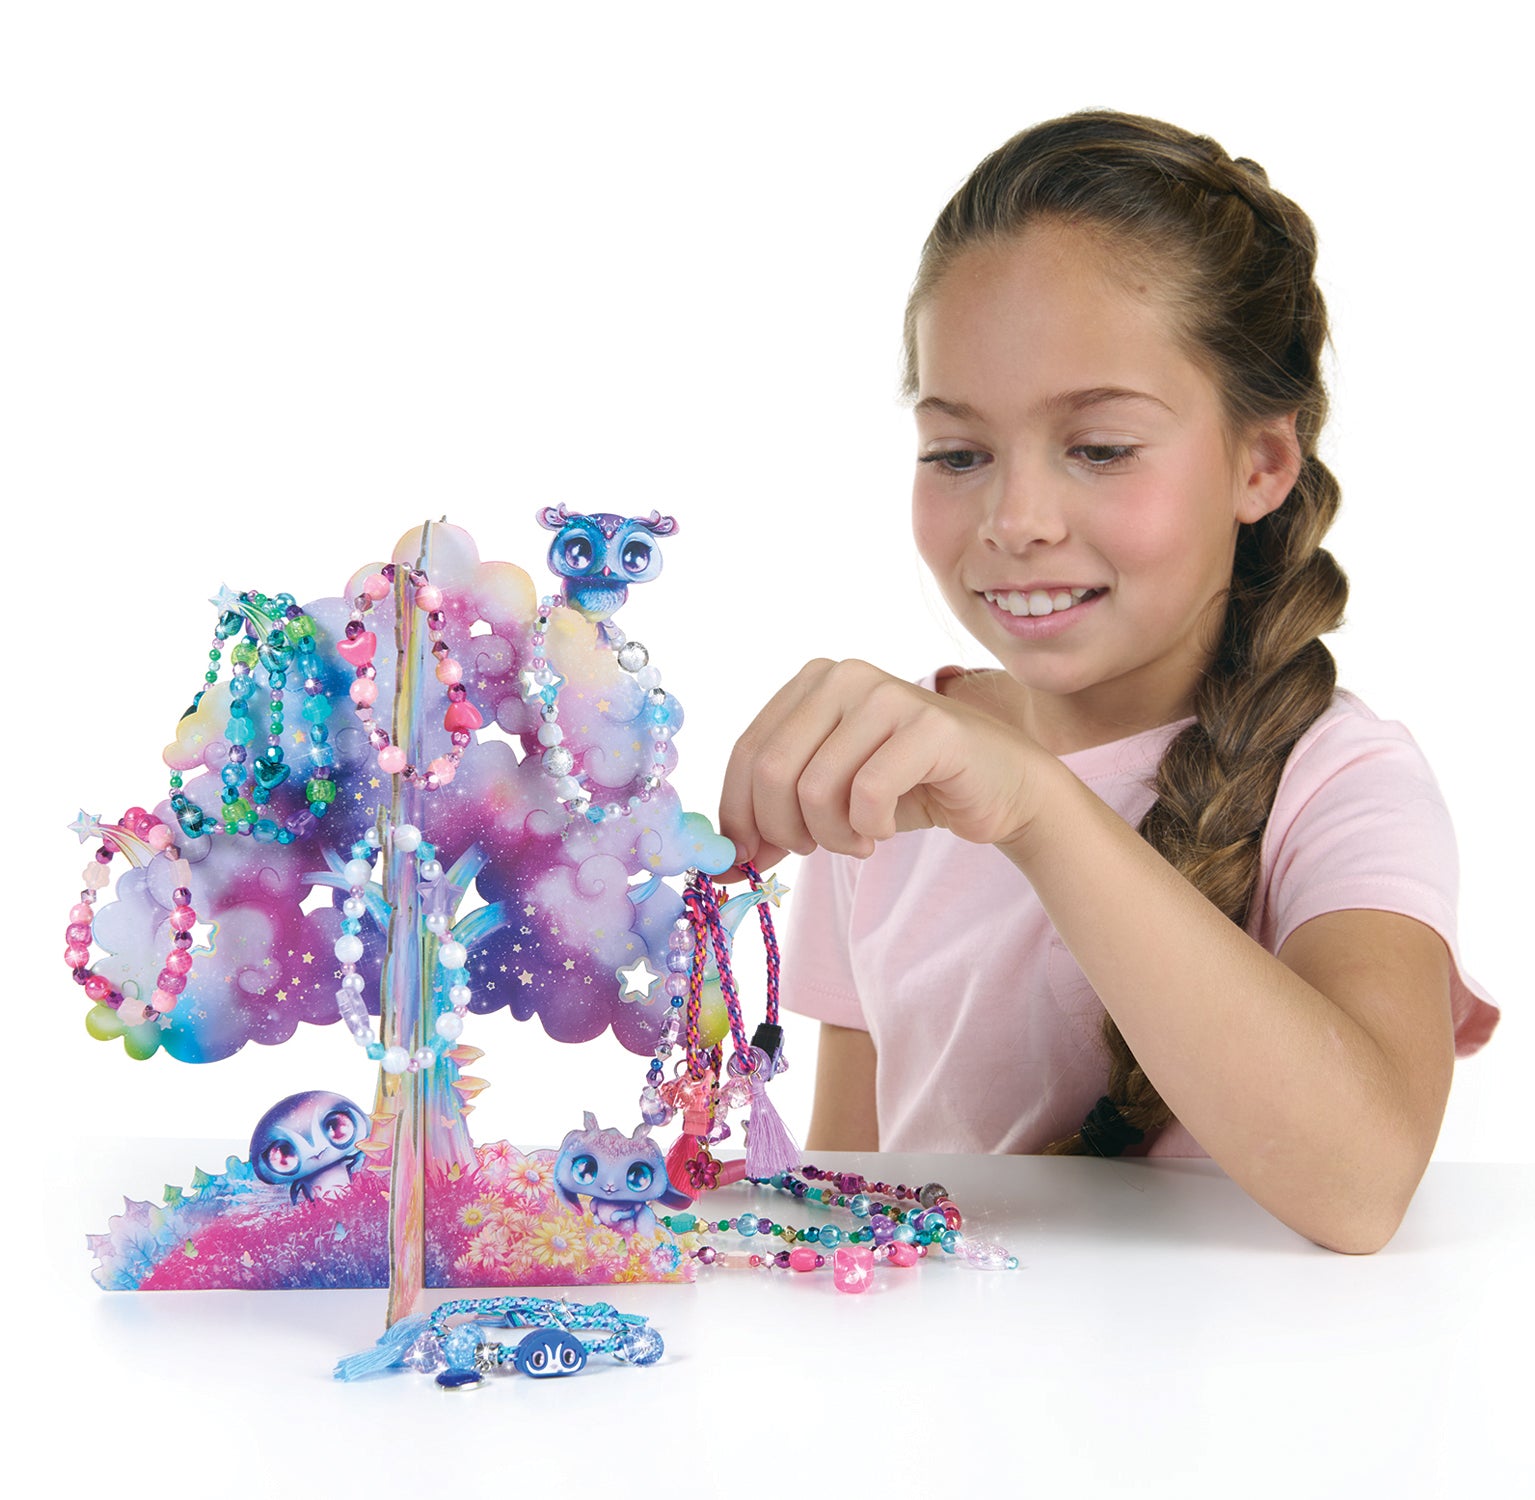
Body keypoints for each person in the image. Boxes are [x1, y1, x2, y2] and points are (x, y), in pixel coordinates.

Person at [718, 110, 1499, 1255]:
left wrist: (1037, 807)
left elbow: (1362, 1182)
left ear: (1259, 463)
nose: (1015, 521)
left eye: (1097, 448)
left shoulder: (1340, 784)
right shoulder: (890, 772)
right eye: (956, 453)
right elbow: (845, 1199)